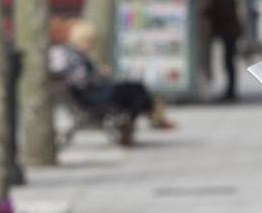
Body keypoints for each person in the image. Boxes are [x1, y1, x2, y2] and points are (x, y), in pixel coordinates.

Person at [48, 19, 176, 141]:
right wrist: (99, 73)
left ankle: (142, 119)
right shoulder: (73, 56)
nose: (91, 44)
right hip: (92, 95)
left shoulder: (75, 54)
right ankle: (147, 117)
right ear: (81, 39)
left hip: (93, 92)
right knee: (136, 90)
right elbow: (82, 80)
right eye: (89, 41)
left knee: (136, 88)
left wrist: (98, 72)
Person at [200, 0, 242, 101]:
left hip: (228, 29)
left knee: (228, 60)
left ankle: (230, 91)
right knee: (228, 60)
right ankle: (230, 90)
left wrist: (207, 11)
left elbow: (223, 10)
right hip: (228, 29)